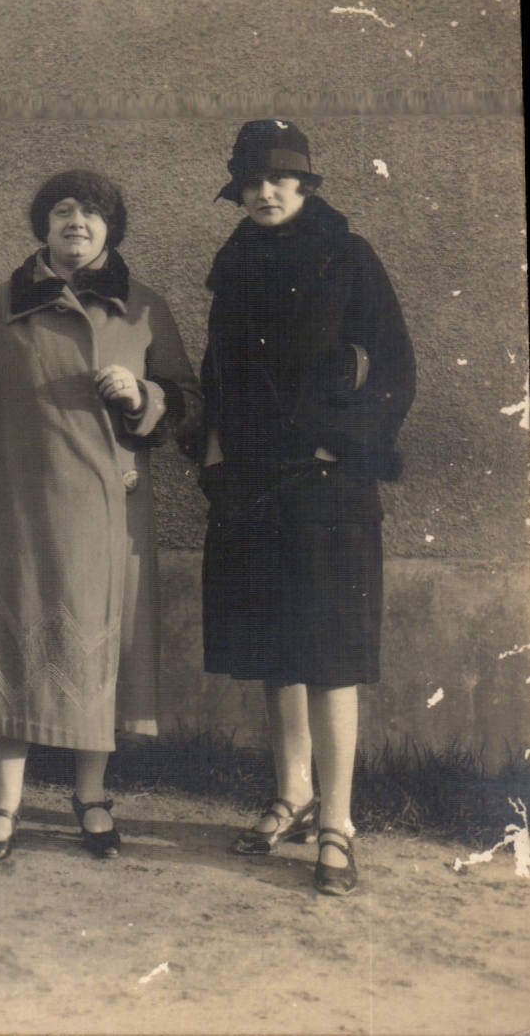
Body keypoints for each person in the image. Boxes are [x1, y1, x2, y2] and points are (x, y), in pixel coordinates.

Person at [0, 171, 200, 868]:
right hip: (8, 509)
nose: (75, 221)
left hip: (103, 509)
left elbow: (186, 403)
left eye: (90, 212)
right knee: (11, 650)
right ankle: (4, 801)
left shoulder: (144, 309)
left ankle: (91, 795)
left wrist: (143, 394)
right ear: (41, 227)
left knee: (93, 652)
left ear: (112, 228)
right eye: (61, 210)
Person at [194, 120, 415, 896]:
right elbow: (215, 372)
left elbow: (393, 367)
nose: (264, 192)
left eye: (279, 180)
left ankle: (337, 824)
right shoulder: (234, 264)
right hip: (253, 486)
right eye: (250, 181)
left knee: (326, 657)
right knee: (271, 652)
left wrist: (341, 446)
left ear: (306, 185)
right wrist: (216, 457)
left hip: (326, 491)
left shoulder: (347, 257)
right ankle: (290, 796)